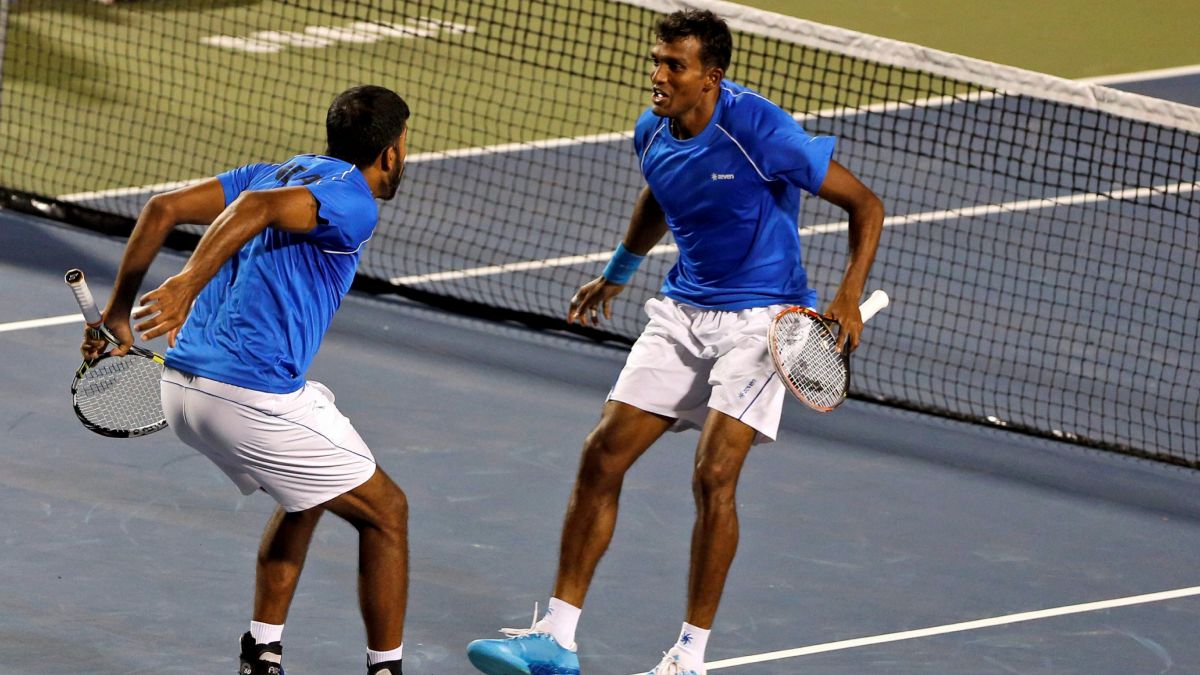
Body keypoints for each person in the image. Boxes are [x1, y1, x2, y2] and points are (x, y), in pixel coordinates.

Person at [466, 9, 883, 675]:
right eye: (656, 61)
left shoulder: (763, 131)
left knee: (713, 475)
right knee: (601, 455)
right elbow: (660, 194)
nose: (658, 75)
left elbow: (866, 205)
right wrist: (619, 271)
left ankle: (689, 657)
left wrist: (847, 295)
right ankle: (555, 640)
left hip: (763, 320)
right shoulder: (652, 130)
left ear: (710, 77)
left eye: (674, 66)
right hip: (683, 311)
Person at [80, 85, 413, 675]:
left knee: (306, 492)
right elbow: (257, 210)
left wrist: (117, 313)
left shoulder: (274, 172)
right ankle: (387, 670)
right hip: (247, 397)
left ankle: (262, 652)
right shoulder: (353, 202)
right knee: (387, 513)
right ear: (390, 152)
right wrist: (187, 283)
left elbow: (161, 209)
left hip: (182, 387)